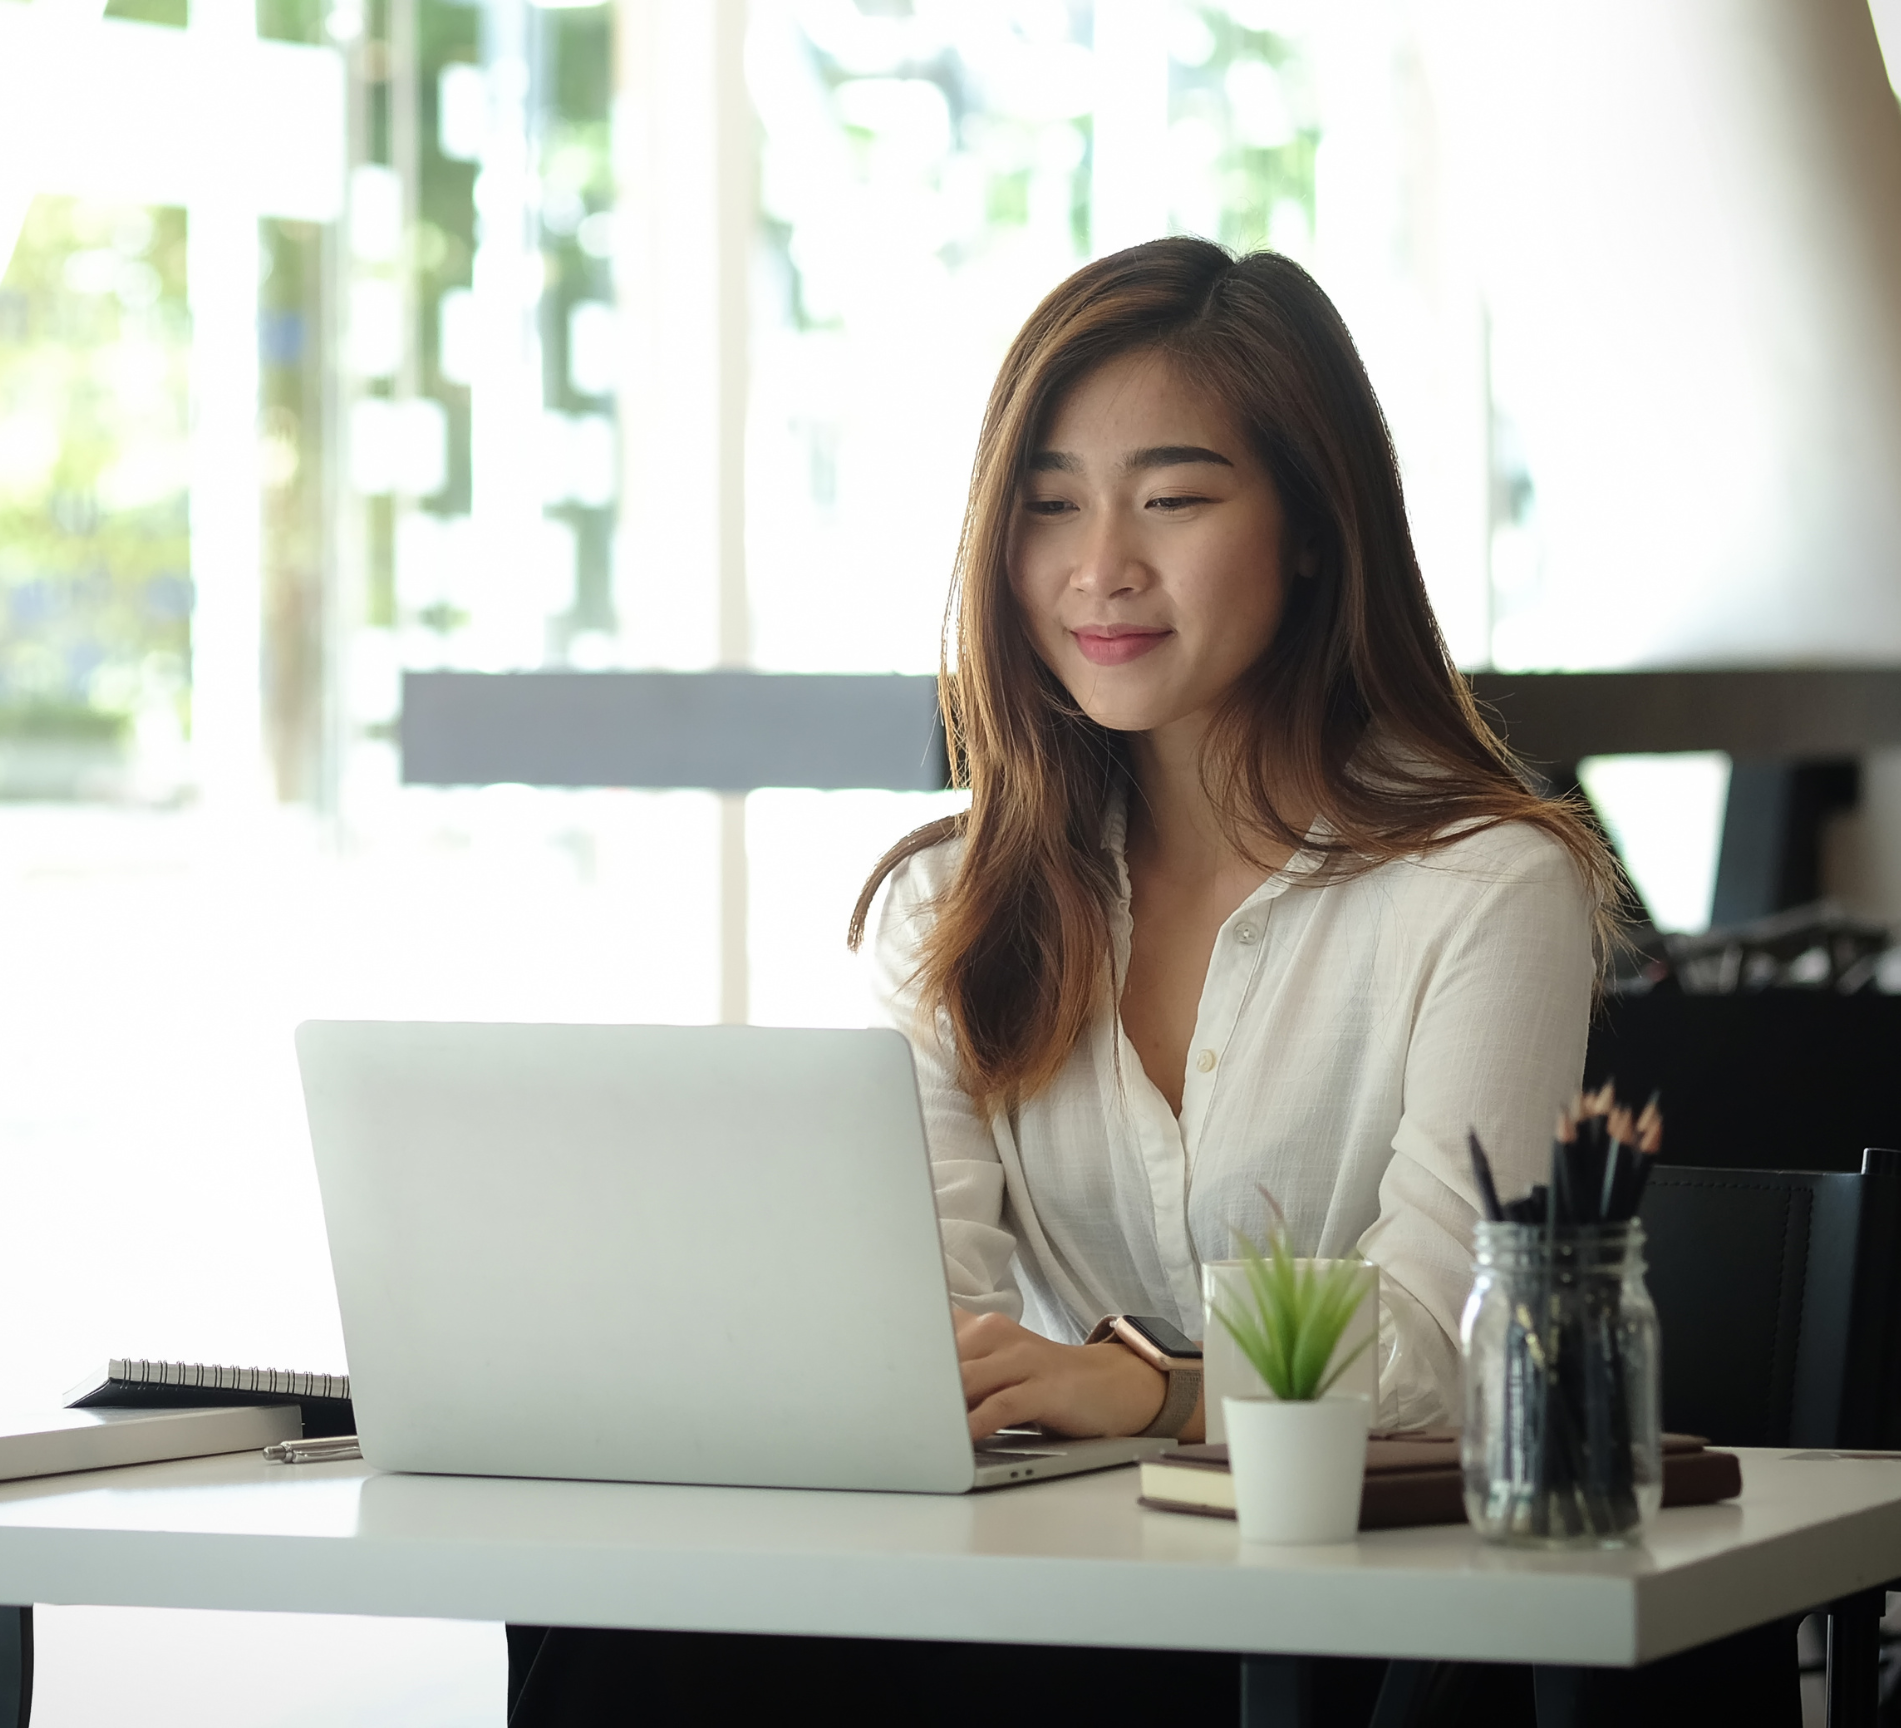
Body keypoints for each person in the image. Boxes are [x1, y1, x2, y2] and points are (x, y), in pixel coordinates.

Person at [509, 238, 1615, 1727]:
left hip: (1362, 1616)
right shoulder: (952, 903)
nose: (1101, 568)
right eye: (1048, 508)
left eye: (1173, 499)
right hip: (1059, 1589)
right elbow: (932, 1323)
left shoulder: (1488, 888)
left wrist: (1151, 1384)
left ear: (1311, 528)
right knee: (614, 1629)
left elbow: (1443, 1353)